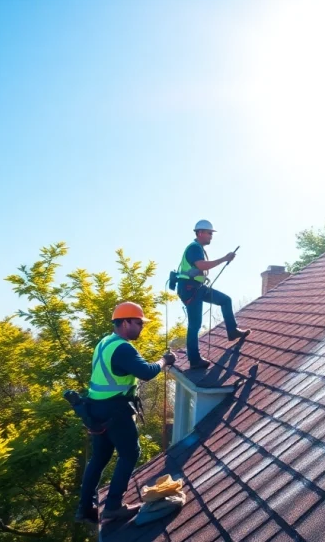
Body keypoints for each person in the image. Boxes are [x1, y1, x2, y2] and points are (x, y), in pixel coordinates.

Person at [77, 302, 176, 524]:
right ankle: (113, 506)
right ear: (124, 323)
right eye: (139, 323)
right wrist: (165, 360)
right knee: (130, 453)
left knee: (99, 458)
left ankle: (84, 508)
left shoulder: (105, 343)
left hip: (95, 408)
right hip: (115, 410)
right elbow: (146, 372)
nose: (142, 327)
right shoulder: (123, 348)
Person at [175, 219, 249, 369]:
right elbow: (201, 265)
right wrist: (224, 259)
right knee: (195, 324)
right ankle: (194, 360)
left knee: (225, 300)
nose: (211, 236)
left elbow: (199, 268)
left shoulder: (197, 248)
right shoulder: (194, 248)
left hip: (196, 288)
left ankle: (232, 331)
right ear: (200, 233)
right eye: (209, 233)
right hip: (190, 288)